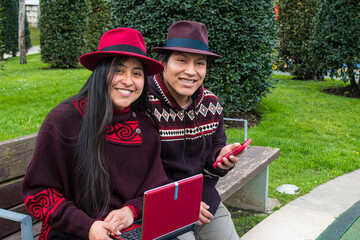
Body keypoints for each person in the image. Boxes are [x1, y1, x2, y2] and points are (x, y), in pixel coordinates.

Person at [21, 28, 169, 240]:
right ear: (100, 72)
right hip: (73, 231)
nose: (128, 81)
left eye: (137, 73)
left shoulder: (146, 126)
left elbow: (157, 187)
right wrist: (88, 227)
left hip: (131, 229)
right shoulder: (64, 120)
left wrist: (131, 210)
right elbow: (38, 194)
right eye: (119, 70)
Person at [148, 20, 241, 240]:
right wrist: (181, 203)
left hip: (206, 201)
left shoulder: (211, 103)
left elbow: (213, 157)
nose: (191, 72)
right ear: (163, 62)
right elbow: (139, 170)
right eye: (181, 60)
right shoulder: (143, 103)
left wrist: (220, 159)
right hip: (159, 204)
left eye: (200, 63)